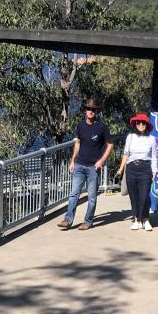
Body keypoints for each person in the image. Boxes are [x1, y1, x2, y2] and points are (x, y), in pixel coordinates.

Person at [60, 98, 112, 231]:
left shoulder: (102, 127)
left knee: (92, 197)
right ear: (85, 110)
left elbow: (110, 145)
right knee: (73, 194)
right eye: (88, 109)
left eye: (93, 109)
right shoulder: (80, 125)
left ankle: (88, 222)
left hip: (93, 168)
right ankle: (68, 220)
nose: (91, 111)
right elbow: (77, 143)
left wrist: (101, 161)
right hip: (79, 165)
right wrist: (73, 160)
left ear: (96, 111)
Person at [116, 112, 158, 231]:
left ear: (146, 125)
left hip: (145, 169)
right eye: (138, 123)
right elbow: (126, 154)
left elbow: (154, 156)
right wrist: (120, 169)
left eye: (143, 123)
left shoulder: (152, 139)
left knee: (144, 197)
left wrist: (154, 171)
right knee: (134, 197)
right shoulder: (130, 137)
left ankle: (145, 219)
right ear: (135, 124)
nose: (140, 125)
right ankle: (136, 220)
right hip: (131, 168)